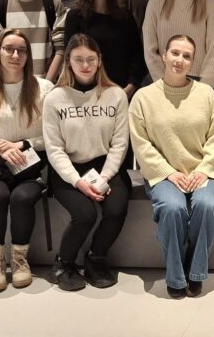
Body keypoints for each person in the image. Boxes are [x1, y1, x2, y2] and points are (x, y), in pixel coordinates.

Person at [130, 35, 214, 299]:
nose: (179, 60)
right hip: (163, 175)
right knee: (172, 208)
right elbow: (141, 144)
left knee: (207, 205)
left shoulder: (206, 94)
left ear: (192, 62)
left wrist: (203, 170)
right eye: (175, 53)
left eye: (186, 56)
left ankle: (195, 270)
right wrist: (169, 173)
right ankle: (175, 274)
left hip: (202, 171)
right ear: (164, 55)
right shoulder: (143, 98)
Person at [43, 34, 130, 291]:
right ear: (68, 61)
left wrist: (104, 177)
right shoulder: (54, 98)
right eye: (78, 59)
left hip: (105, 166)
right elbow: (54, 149)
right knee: (85, 214)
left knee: (116, 209)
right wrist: (77, 182)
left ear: (99, 60)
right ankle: (63, 263)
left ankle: (96, 259)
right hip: (68, 168)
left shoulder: (116, 95)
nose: (85, 65)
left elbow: (120, 144)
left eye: (91, 59)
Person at [0, 28, 54, 292]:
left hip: (32, 163)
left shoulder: (44, 88)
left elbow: (53, 135)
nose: (15, 55)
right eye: (9, 49)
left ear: (28, 56)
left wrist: (23, 144)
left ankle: (19, 260)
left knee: (22, 198)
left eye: (22, 50)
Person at [65, 0, 145, 99]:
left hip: (120, 88)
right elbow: (69, 56)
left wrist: (131, 86)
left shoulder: (125, 17)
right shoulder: (75, 16)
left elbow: (136, 55)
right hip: (85, 88)